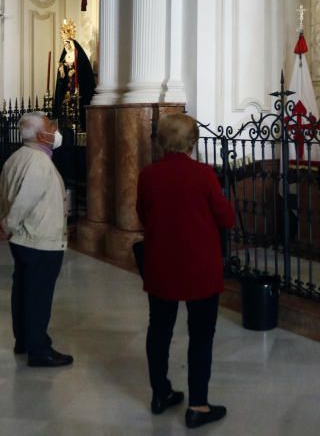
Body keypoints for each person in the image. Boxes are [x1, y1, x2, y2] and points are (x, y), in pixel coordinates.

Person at [137, 113, 235, 429]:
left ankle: (159, 393)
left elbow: (142, 213)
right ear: (193, 142)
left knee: (159, 329)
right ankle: (198, 405)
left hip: (161, 263)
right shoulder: (203, 174)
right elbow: (227, 219)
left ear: (162, 140)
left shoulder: (148, 175)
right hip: (199, 266)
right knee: (201, 335)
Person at [0, 112, 73, 368]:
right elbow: (24, 200)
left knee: (24, 290)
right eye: (52, 126)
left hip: (23, 239)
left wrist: (5, 221)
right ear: (42, 135)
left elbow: (0, 197)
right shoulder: (39, 162)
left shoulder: (16, 157)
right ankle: (39, 350)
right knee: (38, 294)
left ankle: (24, 340)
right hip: (39, 240)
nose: (56, 130)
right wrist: (8, 224)